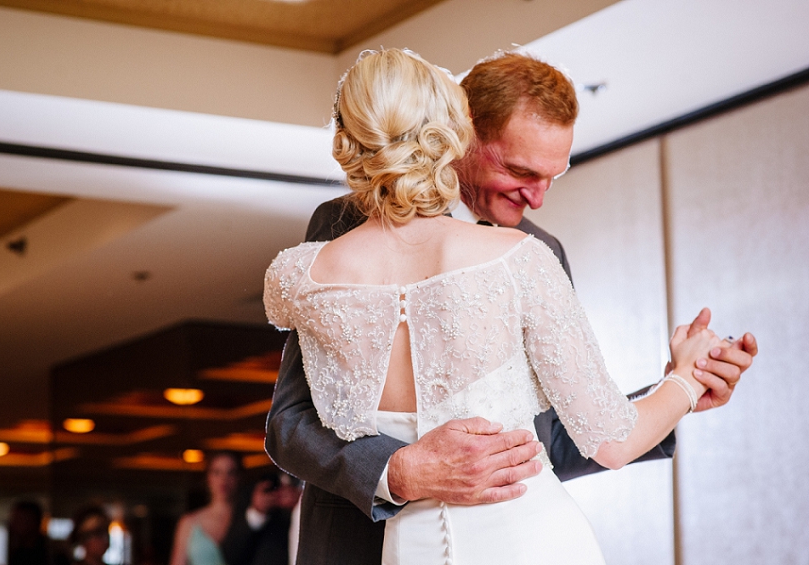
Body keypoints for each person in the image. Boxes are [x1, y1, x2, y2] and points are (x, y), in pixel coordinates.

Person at [264, 51, 758, 564]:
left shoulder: (538, 250)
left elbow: (553, 440)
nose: (538, 198)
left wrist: (675, 392)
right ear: (463, 132)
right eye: (520, 170)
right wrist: (400, 471)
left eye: (554, 176)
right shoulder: (340, 229)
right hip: (357, 547)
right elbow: (291, 421)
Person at [170, 452, 240, 565]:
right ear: (208, 477)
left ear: (238, 477)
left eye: (230, 472)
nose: (223, 479)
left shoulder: (247, 519)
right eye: (217, 472)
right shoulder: (189, 522)